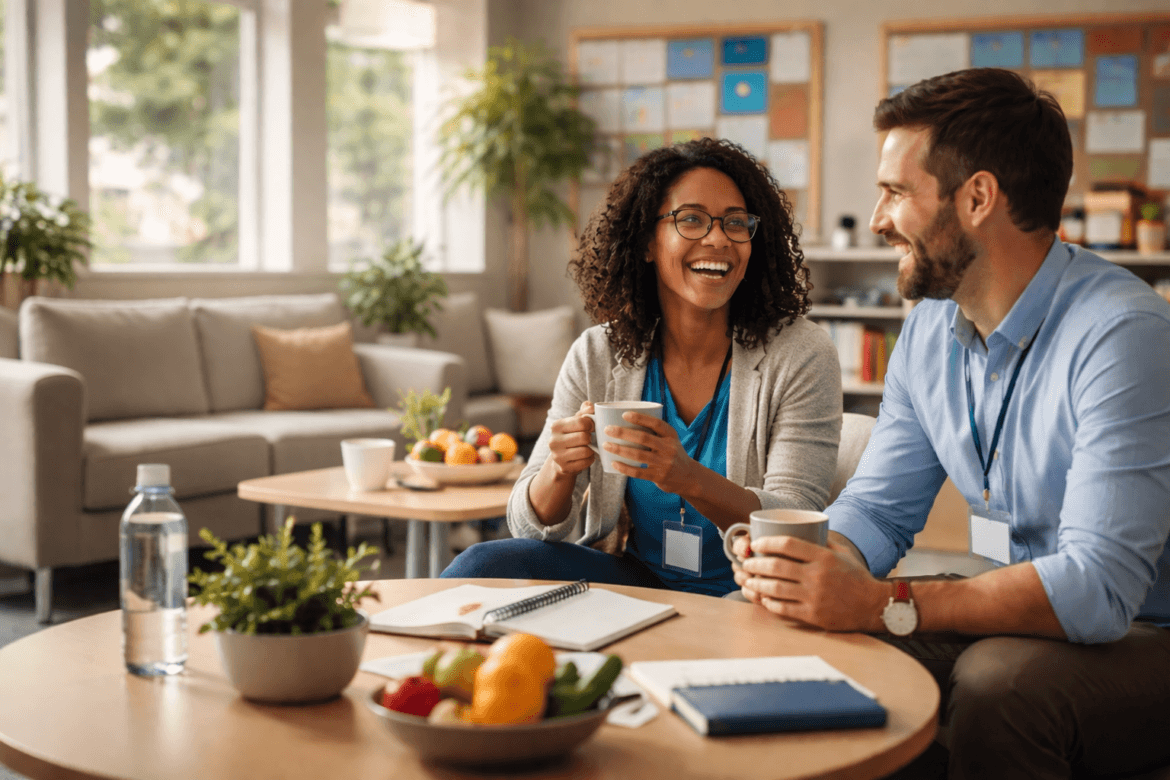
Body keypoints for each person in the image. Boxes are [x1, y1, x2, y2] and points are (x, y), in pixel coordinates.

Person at [733, 68, 1170, 779]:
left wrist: (883, 603)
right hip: (1029, 606)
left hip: (1146, 627)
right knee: (809, 647)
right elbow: (876, 507)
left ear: (977, 198)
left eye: (896, 192)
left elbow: (1097, 589)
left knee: (1003, 684)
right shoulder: (932, 331)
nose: (877, 218)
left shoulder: (1124, 335)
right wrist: (821, 572)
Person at [442, 137, 841, 596]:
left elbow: (794, 524)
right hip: (638, 584)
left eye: (735, 223)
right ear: (647, 242)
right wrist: (559, 467)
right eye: (691, 219)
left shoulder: (801, 354)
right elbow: (532, 528)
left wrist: (688, 478)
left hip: (749, 593)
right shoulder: (598, 353)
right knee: (481, 564)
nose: (718, 238)